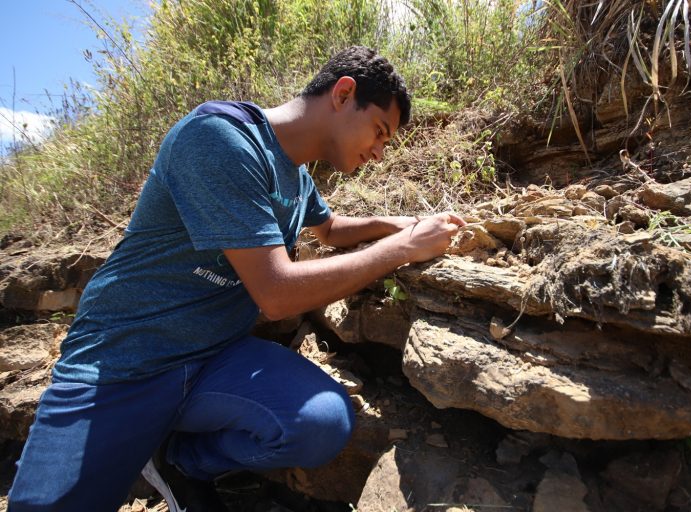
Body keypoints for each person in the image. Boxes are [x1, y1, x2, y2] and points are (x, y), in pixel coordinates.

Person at [8, 46, 464, 511]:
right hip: (122, 362)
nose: (380, 152)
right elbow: (276, 294)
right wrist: (403, 249)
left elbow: (328, 229)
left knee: (322, 421)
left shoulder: (298, 176)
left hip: (212, 361)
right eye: (380, 132)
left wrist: (404, 224)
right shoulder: (218, 139)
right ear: (344, 94)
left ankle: (182, 463)